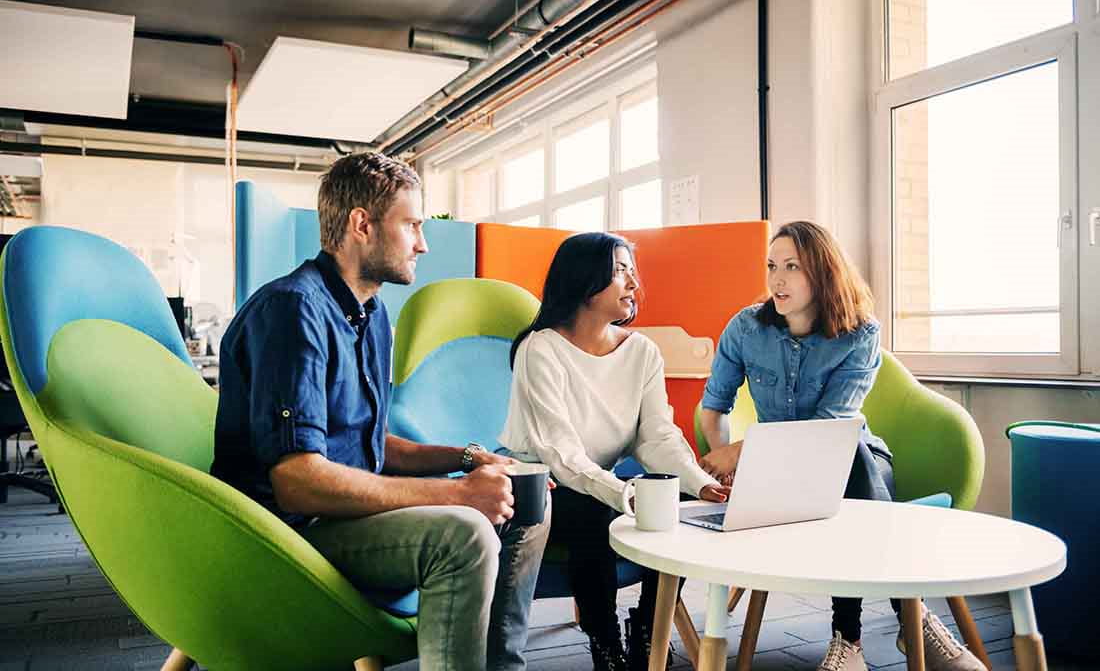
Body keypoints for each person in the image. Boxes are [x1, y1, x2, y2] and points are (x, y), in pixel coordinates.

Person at [211, 152, 549, 671]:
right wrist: (458, 494)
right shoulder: (293, 310)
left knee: (522, 506)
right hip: (288, 534)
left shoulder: (371, 315)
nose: (424, 242)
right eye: (411, 225)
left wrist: (472, 460)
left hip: (346, 514)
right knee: (464, 533)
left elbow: (368, 443)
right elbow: (298, 481)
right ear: (361, 224)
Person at [697, 220, 982, 671]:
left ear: (823, 271)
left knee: (849, 458)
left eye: (792, 266)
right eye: (772, 265)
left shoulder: (860, 332)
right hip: (780, 472)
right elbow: (714, 407)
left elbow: (830, 428)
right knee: (848, 468)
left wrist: (743, 450)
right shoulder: (746, 328)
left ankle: (848, 639)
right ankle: (914, 617)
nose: (777, 278)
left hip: (855, 459)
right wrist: (729, 459)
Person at [498, 232, 730, 671]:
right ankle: (606, 646)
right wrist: (621, 494)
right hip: (539, 486)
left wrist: (701, 486)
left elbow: (657, 437)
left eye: (631, 271)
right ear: (585, 280)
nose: (633, 283)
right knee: (593, 513)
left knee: (676, 506)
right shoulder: (539, 349)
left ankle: (647, 629)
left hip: (595, 481)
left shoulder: (642, 351)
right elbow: (559, 452)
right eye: (620, 270)